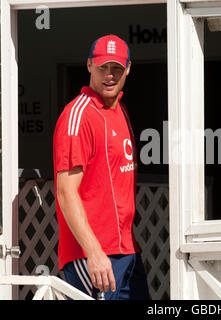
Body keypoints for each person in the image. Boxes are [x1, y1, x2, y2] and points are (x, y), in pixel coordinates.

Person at [53, 34, 149, 300]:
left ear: (128, 68)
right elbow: (65, 193)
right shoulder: (79, 115)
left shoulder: (120, 111)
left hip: (126, 251)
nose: (110, 75)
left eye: (116, 68)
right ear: (88, 66)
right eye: (102, 67)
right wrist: (94, 252)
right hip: (94, 257)